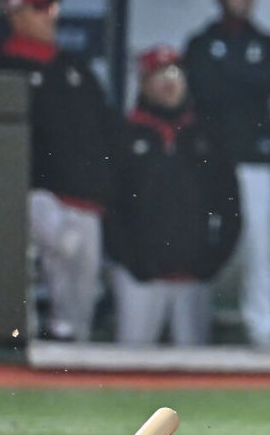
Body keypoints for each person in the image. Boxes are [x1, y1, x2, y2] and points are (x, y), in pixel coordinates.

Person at [0, 0, 114, 341]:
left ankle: (71, 352)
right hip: (29, 193)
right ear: (17, 15)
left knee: (81, 290)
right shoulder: (2, 72)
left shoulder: (75, 68)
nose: (51, 15)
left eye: (52, 6)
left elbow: (103, 130)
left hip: (81, 195)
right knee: (37, 261)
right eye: (40, 7)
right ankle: (20, 350)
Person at [103, 46, 241, 345]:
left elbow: (230, 205)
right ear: (143, 82)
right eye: (159, 74)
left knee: (195, 374)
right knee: (131, 364)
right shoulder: (124, 134)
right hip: (139, 275)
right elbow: (108, 206)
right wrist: (129, 260)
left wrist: (212, 261)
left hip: (192, 276)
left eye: (175, 73)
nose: (169, 82)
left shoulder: (205, 134)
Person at [183, 0, 270, 347]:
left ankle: (264, 332)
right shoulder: (200, 42)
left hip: (255, 163)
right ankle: (194, 331)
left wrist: (228, 72)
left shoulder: (269, 43)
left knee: (261, 250)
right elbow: (205, 88)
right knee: (203, 240)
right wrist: (243, 76)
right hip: (211, 162)